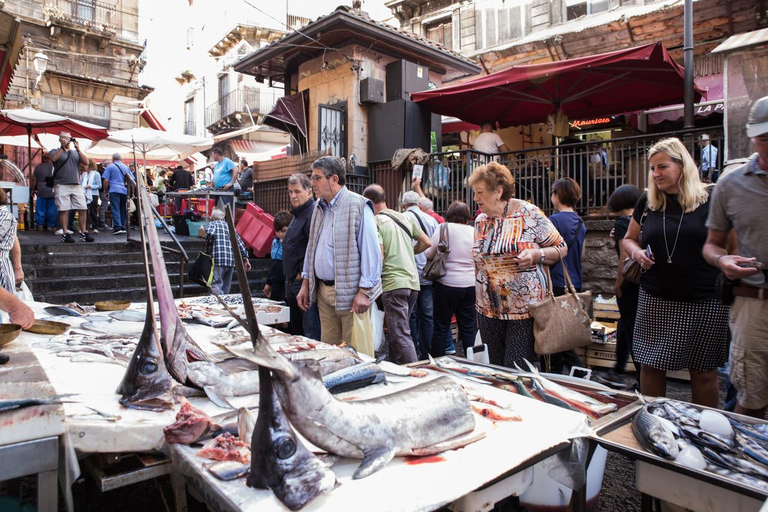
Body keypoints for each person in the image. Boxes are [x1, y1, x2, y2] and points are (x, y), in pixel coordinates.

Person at [622, 138, 728, 408]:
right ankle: (656, 425)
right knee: (651, 366)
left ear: (683, 166)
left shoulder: (712, 197)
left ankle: (703, 431)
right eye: (652, 168)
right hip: (656, 297)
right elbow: (628, 239)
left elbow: (729, 243)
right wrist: (637, 254)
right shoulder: (648, 201)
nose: (656, 174)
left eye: (662, 167)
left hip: (706, 299)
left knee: (704, 371)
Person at [703, 96, 768, 418]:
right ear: (753, 137)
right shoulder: (730, 185)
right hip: (753, 300)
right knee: (750, 393)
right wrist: (722, 261)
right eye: (765, 137)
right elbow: (712, 243)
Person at [469, 161, 567, 368]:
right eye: (474, 193)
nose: (476, 198)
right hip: (487, 309)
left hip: (523, 310)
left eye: (480, 192)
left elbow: (561, 247)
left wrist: (535, 254)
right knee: (495, 367)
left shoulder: (528, 214)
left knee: (517, 368)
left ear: (498, 191)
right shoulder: (480, 222)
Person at [297, 156, 382, 346]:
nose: (312, 183)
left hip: (351, 294)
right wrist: (306, 282)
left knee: (356, 353)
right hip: (322, 291)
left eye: (317, 178)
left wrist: (365, 292)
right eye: (312, 178)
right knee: (331, 351)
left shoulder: (359, 205)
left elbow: (371, 252)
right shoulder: (319, 208)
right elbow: (312, 247)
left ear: (334, 179)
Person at [363, 184, 431, 364]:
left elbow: (380, 256)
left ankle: (415, 372)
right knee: (398, 330)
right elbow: (426, 242)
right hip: (412, 282)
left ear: (370, 202)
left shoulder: (376, 221)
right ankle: (396, 368)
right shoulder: (404, 217)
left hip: (394, 283)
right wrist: (409, 251)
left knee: (400, 333)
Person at [546, 178, 588, 374]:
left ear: (557, 195)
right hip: (574, 281)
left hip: (555, 281)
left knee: (555, 332)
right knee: (566, 330)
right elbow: (582, 255)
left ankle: (566, 371)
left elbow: (546, 253)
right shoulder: (580, 222)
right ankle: (574, 370)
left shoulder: (553, 221)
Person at [426, 201, 478, 357]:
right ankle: (473, 362)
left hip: (446, 284)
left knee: (441, 326)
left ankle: (438, 363)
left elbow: (429, 253)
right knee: (469, 328)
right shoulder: (474, 231)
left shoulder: (443, 228)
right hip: (470, 285)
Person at [606, 184, 642, 387]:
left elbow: (624, 259)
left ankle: (637, 377)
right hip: (643, 283)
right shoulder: (639, 221)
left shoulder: (622, 223)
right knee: (631, 327)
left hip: (629, 283)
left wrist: (618, 285)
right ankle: (627, 371)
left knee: (629, 328)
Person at [282, 173, 321, 340]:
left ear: (309, 192)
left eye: (297, 191)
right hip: (292, 281)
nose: (293, 196)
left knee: (309, 334)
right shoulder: (297, 215)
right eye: (290, 192)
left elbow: (311, 248)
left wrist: (301, 276)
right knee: (297, 333)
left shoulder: (312, 213)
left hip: (303, 282)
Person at [401, 190, 439, 358]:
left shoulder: (401, 219)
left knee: (411, 315)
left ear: (403, 205)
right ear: (419, 204)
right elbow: (437, 246)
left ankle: (412, 352)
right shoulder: (431, 220)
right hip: (428, 274)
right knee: (428, 316)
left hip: (409, 273)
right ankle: (427, 352)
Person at [48, 131, 94, 243]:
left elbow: (86, 162)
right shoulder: (55, 151)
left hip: (76, 184)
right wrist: (62, 147)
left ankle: (83, 232)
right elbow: (54, 158)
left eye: (69, 138)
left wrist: (78, 148)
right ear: (60, 139)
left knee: (83, 208)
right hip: (61, 184)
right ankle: (65, 233)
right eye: (64, 138)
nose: (67, 140)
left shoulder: (75, 152)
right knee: (64, 209)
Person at [205, 208, 251, 295]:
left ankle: (218, 303)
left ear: (214, 218)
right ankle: (225, 302)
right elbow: (239, 243)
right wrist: (246, 258)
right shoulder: (230, 226)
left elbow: (209, 233)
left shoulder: (213, 224)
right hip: (230, 260)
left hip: (218, 259)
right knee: (226, 286)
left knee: (216, 283)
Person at [102, 153, 134, 235]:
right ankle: (123, 226)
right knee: (123, 208)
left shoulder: (110, 166)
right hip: (124, 190)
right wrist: (132, 192)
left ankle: (118, 227)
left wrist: (105, 191)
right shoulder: (126, 167)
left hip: (114, 189)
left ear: (112, 159)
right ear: (121, 159)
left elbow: (105, 180)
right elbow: (132, 181)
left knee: (115, 208)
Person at [264, 210, 291, 302]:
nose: (280, 234)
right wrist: (268, 283)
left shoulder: (292, 244)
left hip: (287, 284)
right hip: (275, 283)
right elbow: (272, 265)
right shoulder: (275, 242)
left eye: (284, 231)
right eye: (278, 231)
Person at [0, 188, 22, 294]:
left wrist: (18, 268)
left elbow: (14, 239)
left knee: (5, 305)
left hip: (1, 266)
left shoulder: (4, 215)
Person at [31, 153, 58, 231]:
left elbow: (34, 180)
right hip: (52, 189)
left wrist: (33, 189)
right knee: (52, 209)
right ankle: (50, 225)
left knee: (40, 208)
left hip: (41, 188)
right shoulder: (55, 167)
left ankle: (40, 224)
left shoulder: (38, 167)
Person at [81, 160, 101, 233]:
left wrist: (90, 186)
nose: (83, 166)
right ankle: (85, 227)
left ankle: (95, 226)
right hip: (84, 193)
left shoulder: (96, 174)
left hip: (93, 194)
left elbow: (99, 185)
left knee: (93, 211)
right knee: (84, 211)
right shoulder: (83, 174)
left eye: (85, 165)